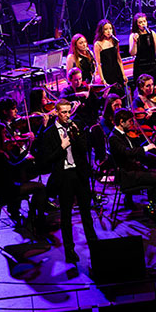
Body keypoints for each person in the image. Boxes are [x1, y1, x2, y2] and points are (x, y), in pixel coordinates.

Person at [37, 100, 97, 263]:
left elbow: (84, 149)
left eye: (69, 112)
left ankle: (94, 245)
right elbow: (45, 160)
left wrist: (76, 136)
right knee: (66, 215)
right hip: (64, 176)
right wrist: (62, 147)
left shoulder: (76, 126)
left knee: (86, 213)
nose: (67, 115)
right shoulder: (48, 133)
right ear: (56, 113)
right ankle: (69, 250)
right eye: (63, 112)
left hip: (79, 173)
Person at [0, 121, 48, 237]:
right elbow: (13, 166)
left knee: (29, 180)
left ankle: (31, 215)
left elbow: (15, 161)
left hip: (3, 187)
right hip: (7, 190)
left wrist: (26, 147)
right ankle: (37, 219)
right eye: (4, 134)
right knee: (40, 187)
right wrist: (26, 156)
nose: (7, 137)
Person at [129, 12, 156, 83]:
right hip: (140, 66)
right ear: (137, 24)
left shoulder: (152, 33)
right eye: (140, 22)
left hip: (152, 64)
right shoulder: (133, 36)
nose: (143, 24)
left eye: (144, 21)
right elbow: (132, 53)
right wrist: (135, 42)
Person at [93, 20, 125, 90]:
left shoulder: (114, 41)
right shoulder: (98, 44)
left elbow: (119, 59)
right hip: (107, 73)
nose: (109, 31)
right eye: (106, 29)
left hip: (117, 71)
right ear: (101, 31)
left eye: (110, 29)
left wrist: (123, 74)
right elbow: (98, 63)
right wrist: (103, 80)